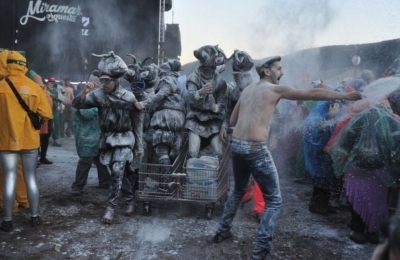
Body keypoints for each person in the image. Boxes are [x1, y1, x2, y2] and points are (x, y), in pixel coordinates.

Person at [212, 55, 362, 259]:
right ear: (266, 71)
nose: (282, 72)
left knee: (238, 189)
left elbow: (232, 119)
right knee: (274, 199)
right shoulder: (275, 89)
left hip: (237, 145)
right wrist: (344, 97)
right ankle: (261, 250)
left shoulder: (247, 90)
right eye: (278, 68)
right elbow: (313, 94)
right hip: (255, 148)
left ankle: (222, 230)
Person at [72, 51, 143, 224]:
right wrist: (84, 92)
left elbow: (137, 124)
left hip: (125, 138)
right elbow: (77, 105)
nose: (103, 84)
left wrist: (139, 146)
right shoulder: (98, 95)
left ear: (116, 80)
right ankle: (130, 199)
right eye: (101, 80)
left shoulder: (128, 97)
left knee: (118, 170)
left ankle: (110, 208)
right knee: (117, 172)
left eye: (106, 81)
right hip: (107, 139)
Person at [0, 50, 52, 231]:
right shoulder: (34, 87)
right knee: (31, 178)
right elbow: (47, 114)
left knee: (9, 179)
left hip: (7, 142)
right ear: (23, 66)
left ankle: (7, 220)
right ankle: (35, 216)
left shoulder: (1, 87)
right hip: (30, 141)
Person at [135, 59, 186, 166]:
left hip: (165, 117)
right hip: (180, 118)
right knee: (173, 148)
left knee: (162, 151)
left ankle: (167, 179)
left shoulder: (167, 80)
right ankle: (172, 175)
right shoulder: (181, 82)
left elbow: (160, 95)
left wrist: (144, 103)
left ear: (163, 73)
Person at [185, 45, 228, 159]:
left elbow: (223, 100)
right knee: (193, 151)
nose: (209, 71)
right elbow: (189, 96)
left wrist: (218, 107)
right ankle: (191, 175)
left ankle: (215, 175)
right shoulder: (193, 78)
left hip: (213, 121)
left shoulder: (220, 81)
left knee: (218, 151)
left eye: (212, 69)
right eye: (206, 69)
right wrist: (200, 92)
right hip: (195, 120)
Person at [71, 75, 111, 195]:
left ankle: (105, 182)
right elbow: (86, 113)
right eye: (96, 82)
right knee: (85, 160)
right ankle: (78, 186)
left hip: (97, 134)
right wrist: (102, 109)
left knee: (99, 158)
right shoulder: (87, 95)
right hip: (86, 135)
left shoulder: (100, 96)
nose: (99, 84)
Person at [47, 75, 64, 147]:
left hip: (55, 109)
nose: (51, 83)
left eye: (53, 82)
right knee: (47, 125)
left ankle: (55, 139)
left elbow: (61, 98)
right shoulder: (45, 89)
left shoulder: (57, 89)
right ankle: (45, 139)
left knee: (56, 124)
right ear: (48, 82)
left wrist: (60, 105)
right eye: (50, 82)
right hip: (47, 109)